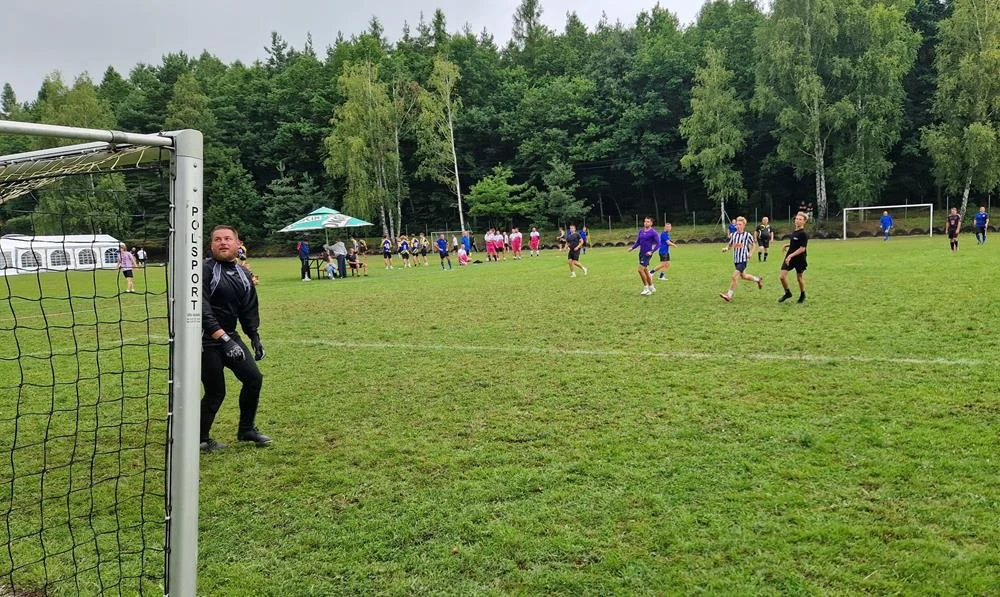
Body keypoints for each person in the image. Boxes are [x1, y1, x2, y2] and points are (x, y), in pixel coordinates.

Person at [200, 224, 269, 453]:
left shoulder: (243, 273)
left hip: (230, 336)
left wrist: (254, 336)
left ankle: (246, 430)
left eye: (228, 238)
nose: (223, 242)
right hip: (205, 341)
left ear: (238, 244)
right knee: (215, 392)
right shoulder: (204, 271)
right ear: (211, 245)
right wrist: (223, 340)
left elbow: (248, 308)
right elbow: (202, 310)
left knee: (253, 379)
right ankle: (200, 439)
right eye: (218, 239)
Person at [719, 216, 762, 302]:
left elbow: (754, 245)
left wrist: (750, 253)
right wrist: (726, 249)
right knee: (744, 276)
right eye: (737, 224)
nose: (738, 226)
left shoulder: (747, 235)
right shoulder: (733, 235)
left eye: (740, 224)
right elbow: (730, 245)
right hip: (736, 260)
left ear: (744, 225)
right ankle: (758, 279)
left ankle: (729, 295)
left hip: (743, 259)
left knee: (734, 276)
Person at [779, 212, 809, 303]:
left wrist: (791, 255)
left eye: (800, 219)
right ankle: (787, 293)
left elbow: (802, 248)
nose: (797, 220)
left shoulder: (803, 234)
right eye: (796, 219)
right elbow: (795, 242)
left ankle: (802, 294)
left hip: (799, 258)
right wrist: (787, 245)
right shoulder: (795, 232)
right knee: (782, 276)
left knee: (799, 278)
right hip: (790, 257)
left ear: (804, 222)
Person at [629, 217, 659, 295]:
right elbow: (638, 242)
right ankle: (651, 286)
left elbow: (658, 243)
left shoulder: (653, 232)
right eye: (645, 221)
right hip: (641, 253)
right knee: (645, 270)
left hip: (647, 254)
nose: (646, 223)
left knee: (640, 270)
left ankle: (646, 289)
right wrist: (632, 248)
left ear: (651, 223)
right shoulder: (641, 231)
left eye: (648, 222)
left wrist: (651, 251)